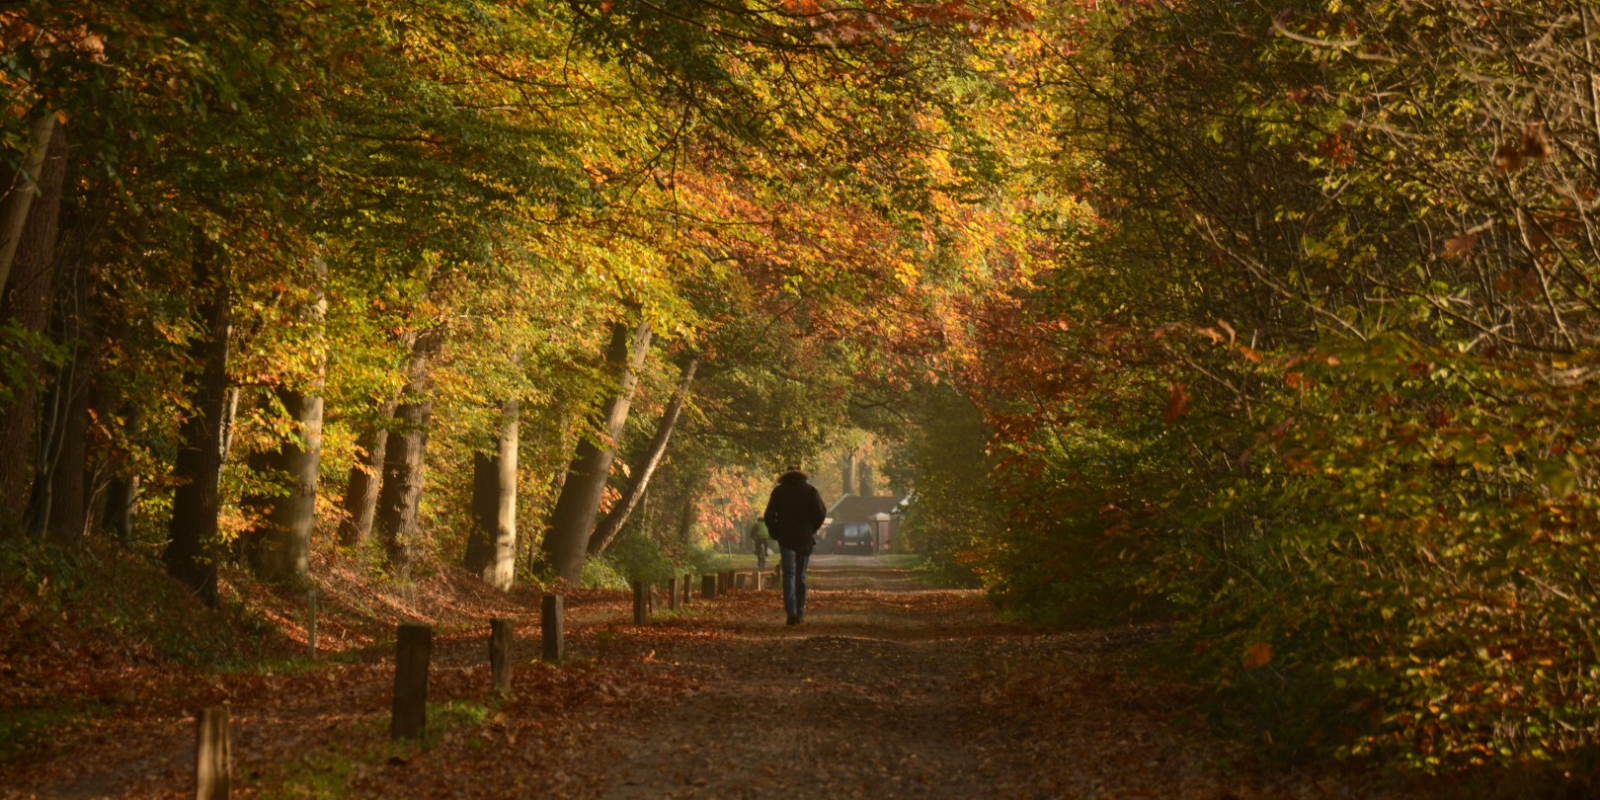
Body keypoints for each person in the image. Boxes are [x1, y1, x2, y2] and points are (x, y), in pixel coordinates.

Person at [761, 464, 826, 625]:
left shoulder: (779, 492)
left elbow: (769, 516)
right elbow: (821, 513)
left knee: (789, 574)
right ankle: (800, 612)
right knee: (800, 576)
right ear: (801, 474)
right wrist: (811, 529)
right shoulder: (811, 491)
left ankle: (791, 610)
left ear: (786, 475)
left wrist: (776, 532)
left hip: (786, 538)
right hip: (804, 538)